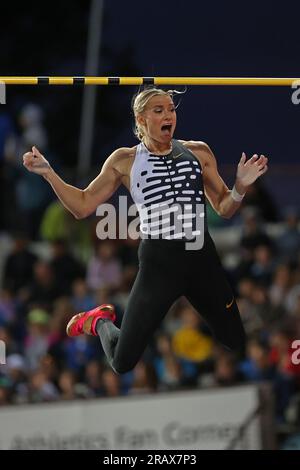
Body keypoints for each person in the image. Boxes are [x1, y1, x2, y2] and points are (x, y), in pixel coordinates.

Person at [22, 87, 268, 374]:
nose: (168, 115)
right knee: (122, 362)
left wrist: (239, 187)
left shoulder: (198, 152)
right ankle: (100, 321)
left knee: (235, 341)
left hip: (200, 255)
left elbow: (225, 209)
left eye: (171, 109)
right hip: (159, 262)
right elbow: (83, 206)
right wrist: (49, 173)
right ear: (141, 119)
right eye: (159, 110)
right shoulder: (125, 160)